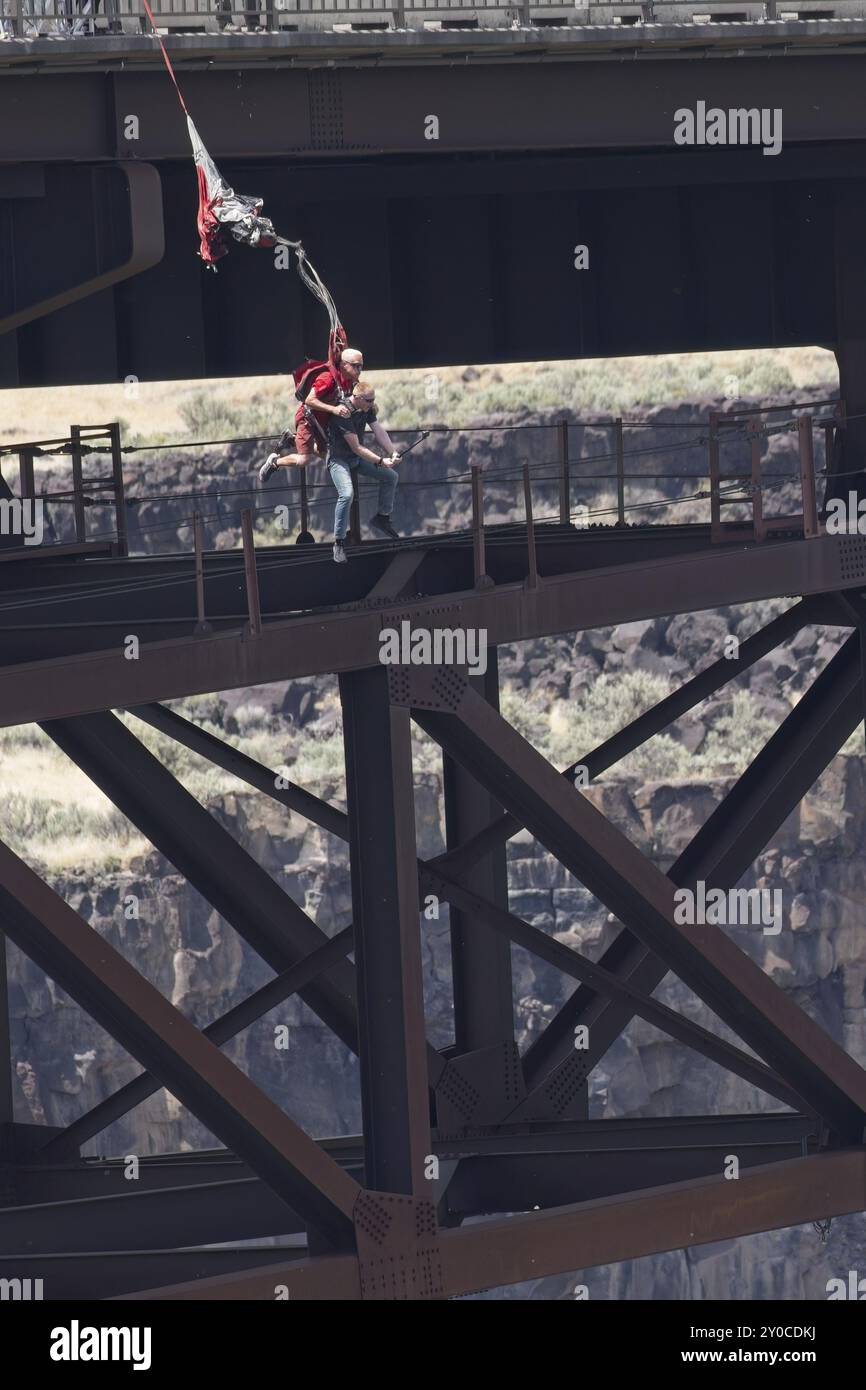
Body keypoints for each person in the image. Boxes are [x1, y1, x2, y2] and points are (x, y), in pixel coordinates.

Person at [258, 347, 362, 482]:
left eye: (361, 366)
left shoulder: (350, 382)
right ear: (344, 364)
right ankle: (274, 462)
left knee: (327, 454)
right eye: (356, 366)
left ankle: (293, 440)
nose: (359, 370)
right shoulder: (327, 378)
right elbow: (309, 400)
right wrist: (333, 410)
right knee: (303, 460)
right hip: (308, 418)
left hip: (322, 421)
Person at [327, 380, 400, 564]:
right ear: (357, 398)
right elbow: (357, 448)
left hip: (356, 459)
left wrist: (393, 452)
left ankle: (382, 518)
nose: (372, 403)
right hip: (339, 460)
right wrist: (381, 461)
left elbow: (379, 432)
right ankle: (338, 543)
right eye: (368, 400)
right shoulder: (343, 411)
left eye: (373, 399)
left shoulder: (367, 409)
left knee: (391, 477)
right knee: (347, 494)